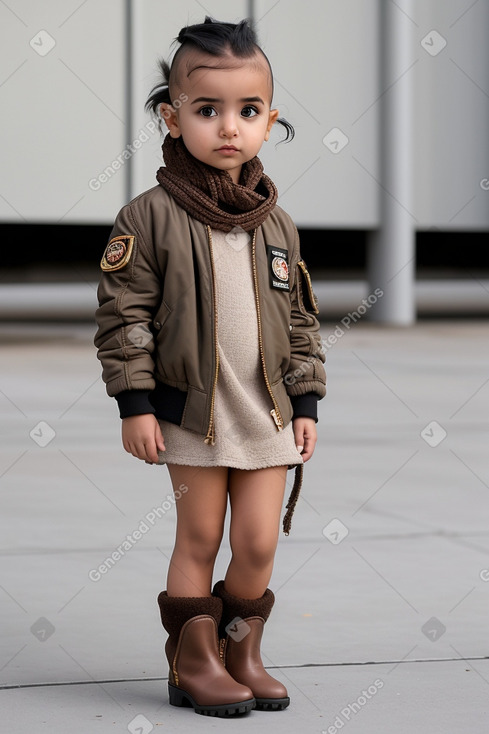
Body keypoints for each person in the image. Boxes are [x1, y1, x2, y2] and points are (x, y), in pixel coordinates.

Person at [94, 16, 326, 718]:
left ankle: (240, 649)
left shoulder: (275, 223)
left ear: (269, 119)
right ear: (171, 117)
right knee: (199, 535)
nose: (229, 127)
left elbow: (301, 322)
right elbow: (123, 316)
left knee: (256, 542)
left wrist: (306, 403)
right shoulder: (150, 216)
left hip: (265, 414)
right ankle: (192, 659)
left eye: (247, 111)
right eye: (207, 110)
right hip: (191, 413)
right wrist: (135, 403)